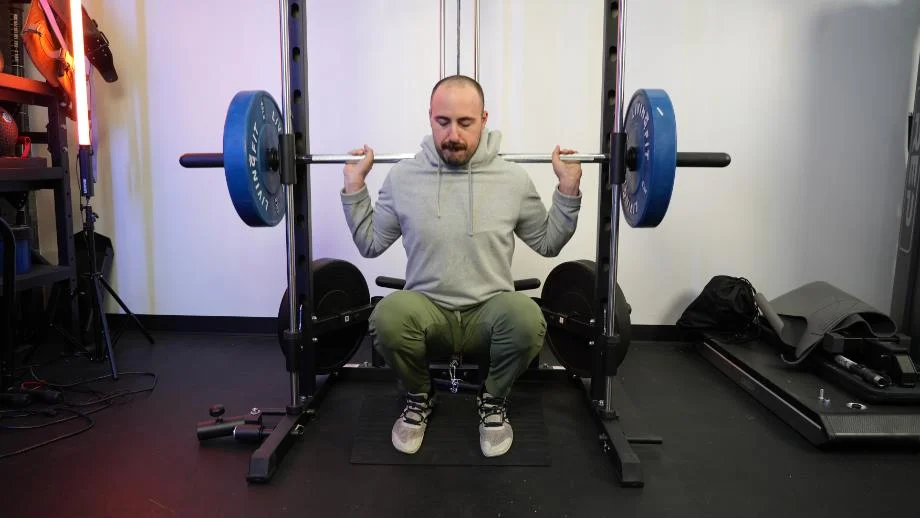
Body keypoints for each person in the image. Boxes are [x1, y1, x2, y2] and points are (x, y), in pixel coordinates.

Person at [339, 75, 582, 458]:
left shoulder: (512, 179)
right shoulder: (403, 178)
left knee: (527, 317)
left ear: (484, 119)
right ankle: (420, 397)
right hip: (427, 309)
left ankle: (493, 400)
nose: (453, 134)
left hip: (489, 311)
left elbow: (547, 243)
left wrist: (567, 190)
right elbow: (370, 244)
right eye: (443, 122)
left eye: (465, 123)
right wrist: (355, 187)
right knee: (387, 316)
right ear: (430, 118)